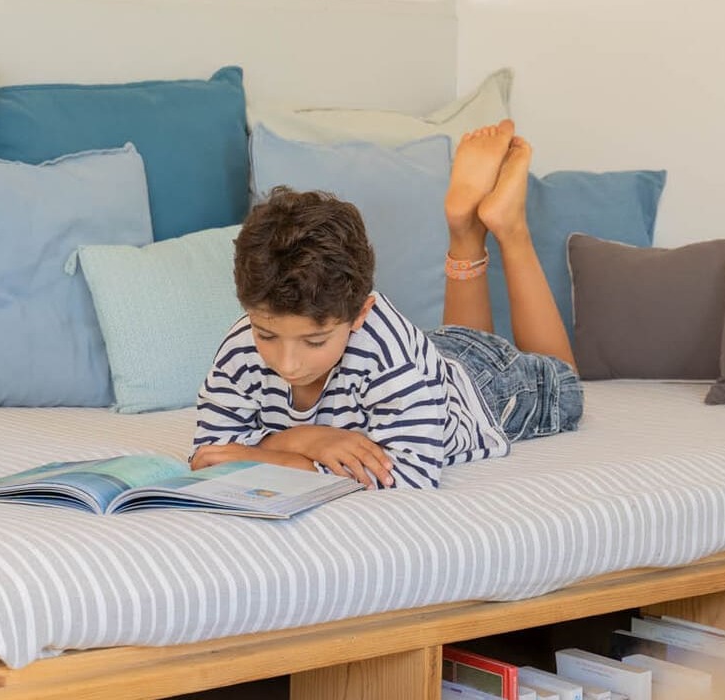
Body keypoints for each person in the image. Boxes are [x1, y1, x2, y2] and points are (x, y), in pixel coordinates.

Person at [189, 120, 584, 489]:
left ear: (361, 313)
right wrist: (311, 439)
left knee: (566, 383)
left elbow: (411, 475)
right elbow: (209, 456)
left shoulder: (388, 354)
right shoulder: (241, 347)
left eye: (314, 341)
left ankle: (510, 225)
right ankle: (464, 227)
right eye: (267, 335)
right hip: (427, 360)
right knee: (449, 346)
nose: (288, 363)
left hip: (483, 389)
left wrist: (293, 460)